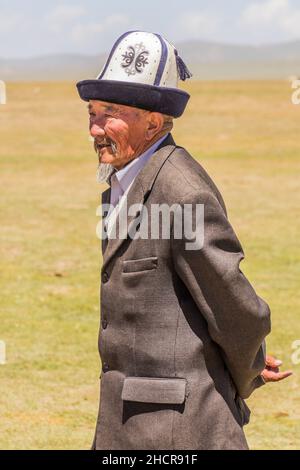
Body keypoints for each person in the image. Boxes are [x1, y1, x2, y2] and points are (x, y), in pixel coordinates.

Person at [76, 31, 292, 450]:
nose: (94, 128)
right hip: (133, 428)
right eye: (92, 112)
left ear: (153, 122)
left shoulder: (182, 191)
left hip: (180, 431)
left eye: (110, 113)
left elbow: (233, 304)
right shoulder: (119, 190)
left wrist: (248, 365)